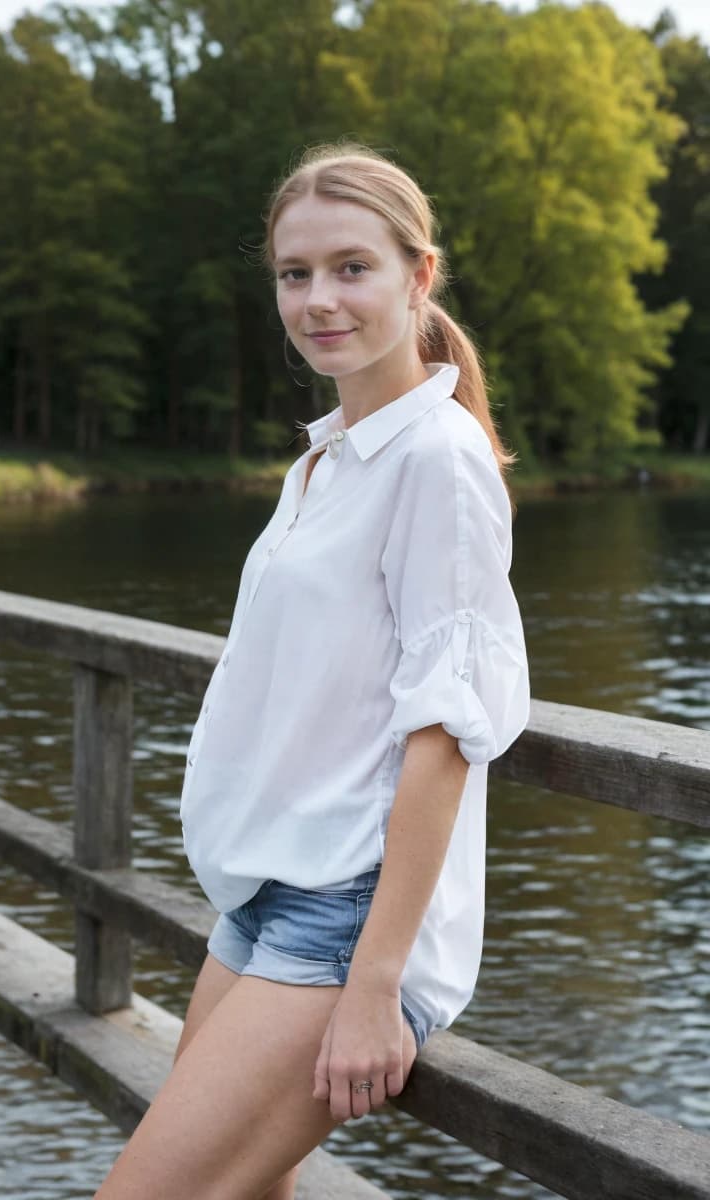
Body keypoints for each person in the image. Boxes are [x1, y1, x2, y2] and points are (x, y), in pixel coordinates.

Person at [93, 141, 530, 1200]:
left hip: (346, 916)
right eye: (294, 274)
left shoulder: (436, 461)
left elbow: (445, 734)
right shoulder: (331, 454)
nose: (317, 300)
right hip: (262, 895)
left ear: (417, 277)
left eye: (350, 267)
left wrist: (377, 984)